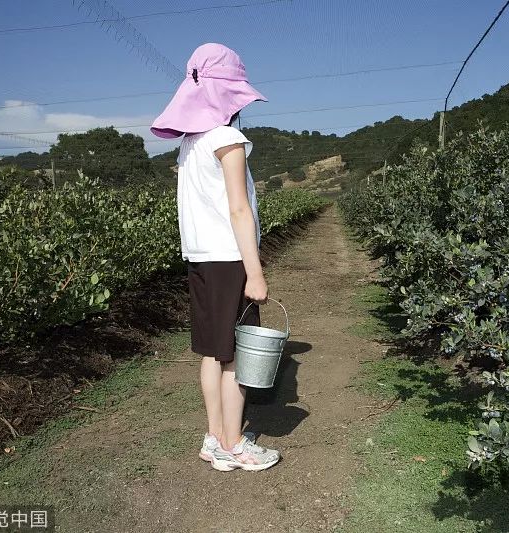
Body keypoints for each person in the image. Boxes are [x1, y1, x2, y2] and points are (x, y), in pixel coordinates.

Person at [150, 43, 280, 472]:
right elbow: (239, 210)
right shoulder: (228, 139)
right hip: (230, 260)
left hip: (201, 259)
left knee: (213, 352)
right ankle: (235, 444)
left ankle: (214, 438)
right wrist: (255, 273)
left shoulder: (191, 143)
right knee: (238, 356)